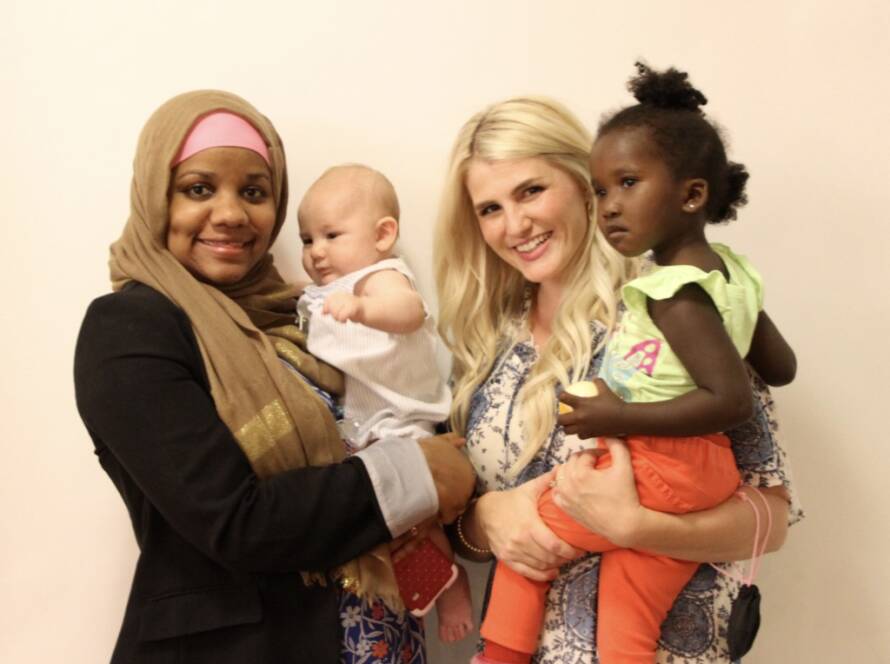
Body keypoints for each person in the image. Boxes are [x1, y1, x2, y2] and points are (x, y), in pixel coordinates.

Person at [73, 90, 475, 664]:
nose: (233, 213)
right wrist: (418, 471)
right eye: (199, 188)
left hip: (378, 635)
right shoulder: (129, 329)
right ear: (155, 198)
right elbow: (236, 521)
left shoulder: (305, 318)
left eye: (255, 192)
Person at [434, 95, 803, 663]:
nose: (516, 224)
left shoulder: (673, 301)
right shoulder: (488, 346)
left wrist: (637, 527)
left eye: (531, 191)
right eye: (490, 208)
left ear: (585, 184)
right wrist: (487, 518)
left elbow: (770, 519)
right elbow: (467, 531)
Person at [296, 163, 475, 642]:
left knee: (416, 508)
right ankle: (423, 576)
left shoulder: (382, 277)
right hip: (364, 427)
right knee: (388, 523)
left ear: (383, 235)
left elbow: (409, 312)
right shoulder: (326, 292)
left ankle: (452, 585)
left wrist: (363, 308)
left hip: (404, 420)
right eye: (307, 239)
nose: (316, 252)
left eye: (331, 235)